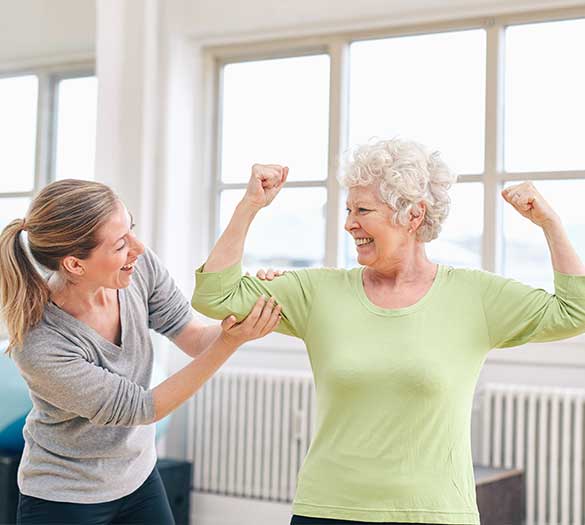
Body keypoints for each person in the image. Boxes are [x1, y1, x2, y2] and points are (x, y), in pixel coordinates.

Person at [191, 139, 585, 525]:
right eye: (347, 209)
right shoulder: (317, 292)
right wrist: (249, 206)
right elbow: (216, 295)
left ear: (413, 216)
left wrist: (549, 223)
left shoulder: (474, 296)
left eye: (363, 209)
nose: (349, 224)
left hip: (434, 513)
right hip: (329, 511)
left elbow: (575, 311)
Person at [0, 179, 282, 525]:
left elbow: (193, 338)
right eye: (120, 244)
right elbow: (145, 408)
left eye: (130, 228)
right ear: (75, 265)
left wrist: (257, 308)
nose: (138, 247)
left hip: (137, 479)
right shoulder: (42, 342)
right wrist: (229, 342)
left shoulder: (137, 269)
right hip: (65, 498)